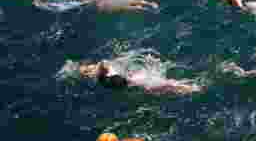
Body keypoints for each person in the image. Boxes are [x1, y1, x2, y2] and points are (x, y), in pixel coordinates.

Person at [70, 55, 201, 95]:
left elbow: (105, 66)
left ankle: (191, 88)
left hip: (136, 79)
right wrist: (98, 66)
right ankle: (193, 89)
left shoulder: (103, 78)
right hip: (139, 82)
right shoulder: (101, 76)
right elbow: (103, 64)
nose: (90, 66)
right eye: (88, 69)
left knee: (168, 84)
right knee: (168, 84)